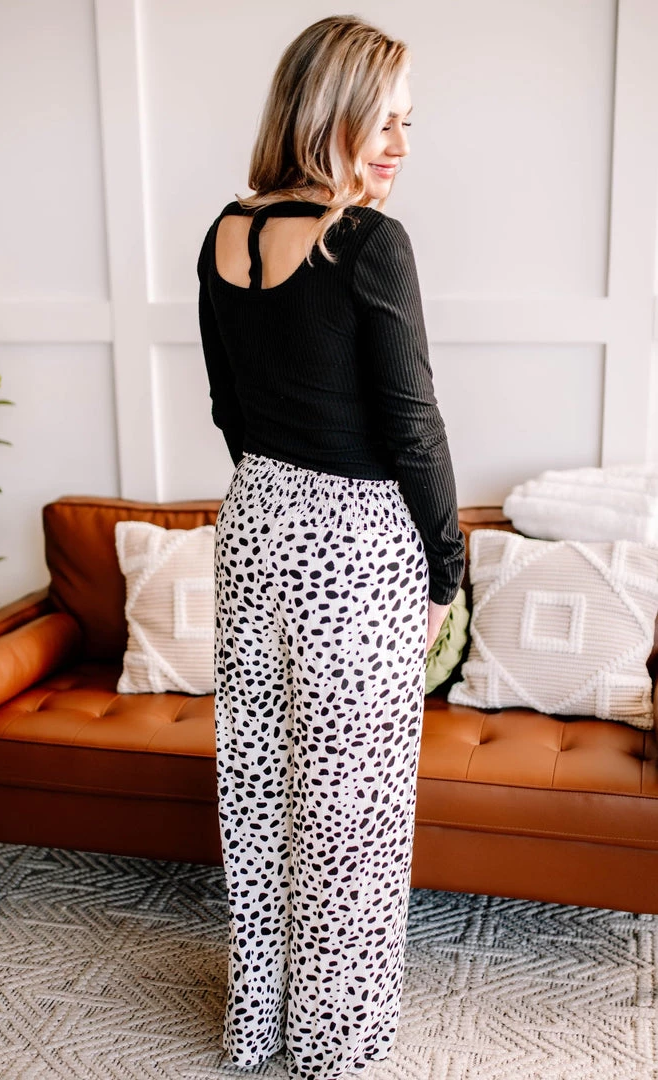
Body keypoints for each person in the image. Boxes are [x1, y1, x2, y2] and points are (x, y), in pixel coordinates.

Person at [196, 15, 465, 1080]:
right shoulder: (365, 241)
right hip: (355, 547)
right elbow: (412, 425)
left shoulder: (224, 231)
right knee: (351, 812)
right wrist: (445, 567)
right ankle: (333, 1047)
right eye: (379, 122)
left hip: (252, 521)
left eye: (406, 125)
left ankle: (256, 1025)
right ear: (325, 112)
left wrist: (275, 489)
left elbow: (228, 405)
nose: (397, 147)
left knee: (259, 788)